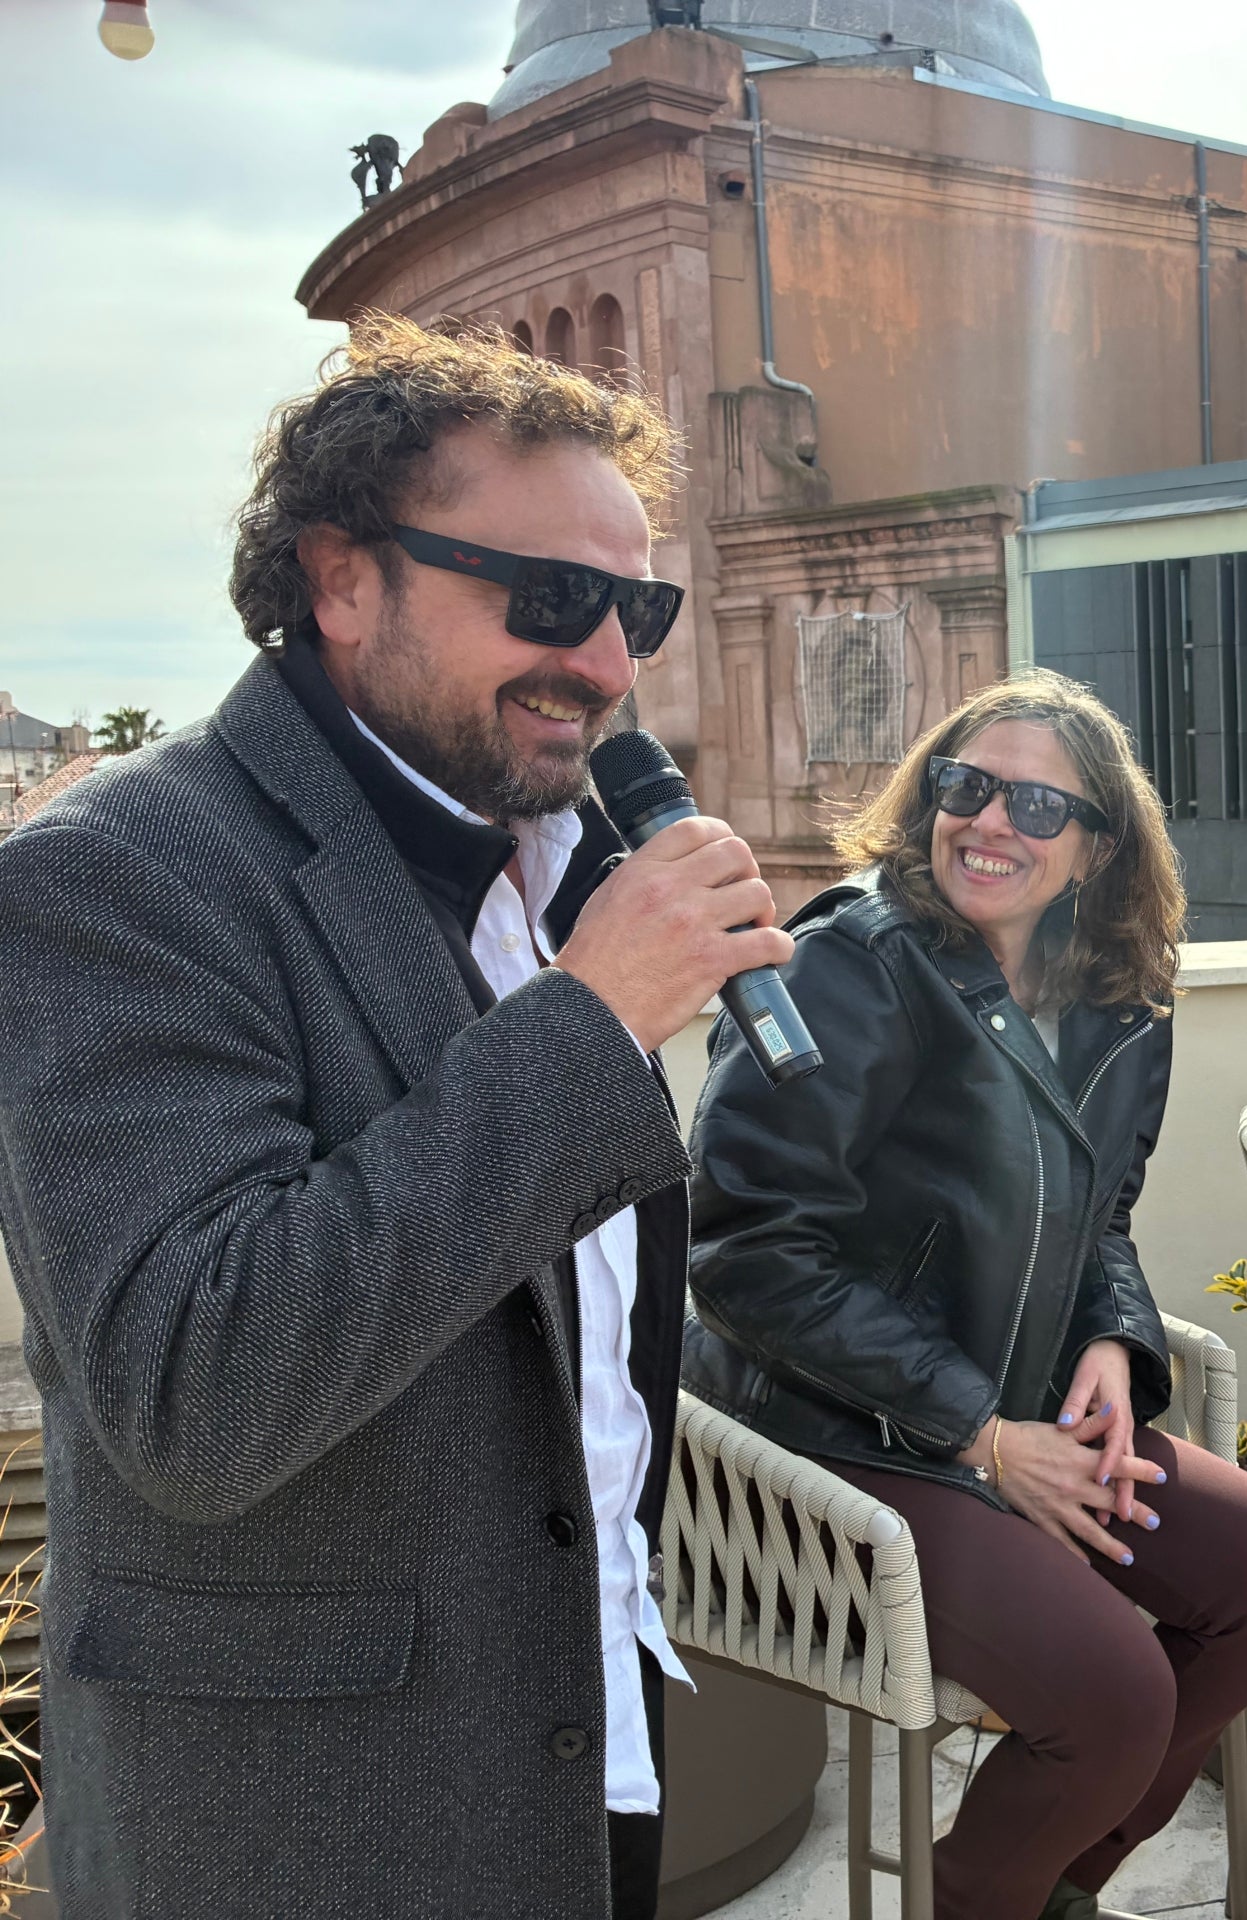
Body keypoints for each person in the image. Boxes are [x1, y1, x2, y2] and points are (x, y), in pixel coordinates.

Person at [0, 316, 768, 1914]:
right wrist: (590, 1024)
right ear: (343, 580)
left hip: (581, 1730)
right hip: (316, 1824)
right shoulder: (112, 878)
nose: (616, 665)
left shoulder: (546, 864)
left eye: (638, 608)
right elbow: (195, 1387)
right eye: (553, 598)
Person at [684, 670, 1247, 1920]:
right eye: (965, 789)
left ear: (1095, 849)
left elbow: (1103, 1219)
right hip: (828, 1435)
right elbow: (745, 1250)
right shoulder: (850, 969)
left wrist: (1113, 1345)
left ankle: (1038, 1888)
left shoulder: (1117, 998)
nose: (991, 824)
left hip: (1009, 1413)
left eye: (1038, 805)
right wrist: (982, 1432)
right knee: (1112, 1697)